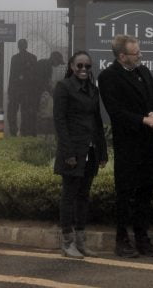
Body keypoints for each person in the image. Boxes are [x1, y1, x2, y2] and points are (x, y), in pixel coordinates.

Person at [97, 34, 153, 258]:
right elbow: (116, 112)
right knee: (126, 193)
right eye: (135, 52)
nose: (140, 55)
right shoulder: (108, 77)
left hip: (150, 142)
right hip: (128, 144)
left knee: (146, 192)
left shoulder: (144, 72)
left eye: (139, 51)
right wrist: (142, 120)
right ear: (122, 56)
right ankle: (122, 241)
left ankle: (142, 238)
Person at [53, 50, 108, 259]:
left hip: (90, 150)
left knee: (84, 196)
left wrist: (102, 152)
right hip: (72, 151)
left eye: (87, 66)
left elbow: (97, 122)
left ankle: (81, 243)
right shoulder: (64, 87)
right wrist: (68, 152)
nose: (83, 69)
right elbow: (60, 121)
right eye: (79, 66)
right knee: (69, 196)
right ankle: (67, 243)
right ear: (71, 66)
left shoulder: (94, 90)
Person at [7, 38, 38, 136]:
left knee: (12, 112)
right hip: (28, 91)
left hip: (16, 89)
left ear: (18, 46)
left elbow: (12, 75)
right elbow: (34, 76)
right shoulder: (33, 58)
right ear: (26, 46)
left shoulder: (15, 58)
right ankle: (24, 131)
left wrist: (10, 90)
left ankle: (13, 131)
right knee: (26, 112)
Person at [35, 50, 66, 135]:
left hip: (33, 91)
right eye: (58, 62)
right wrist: (52, 92)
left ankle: (32, 133)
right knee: (41, 114)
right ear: (54, 59)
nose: (58, 64)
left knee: (35, 113)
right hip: (37, 92)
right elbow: (46, 83)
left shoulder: (41, 62)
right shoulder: (48, 67)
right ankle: (40, 133)